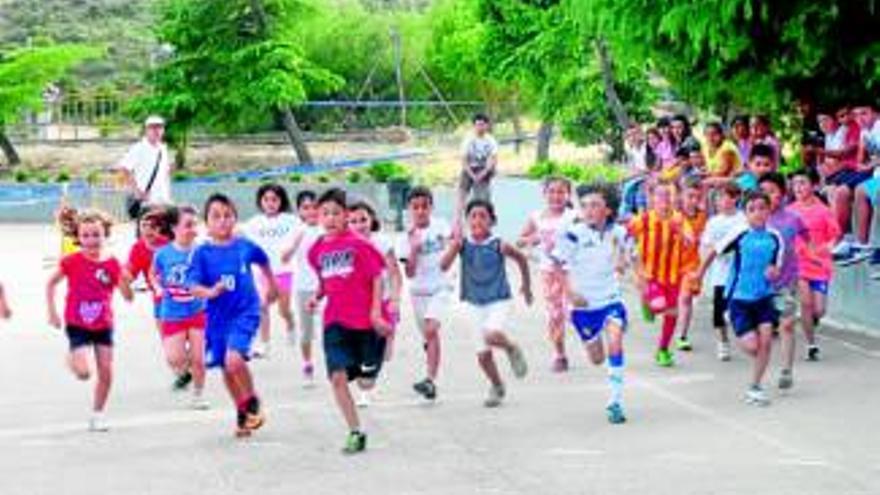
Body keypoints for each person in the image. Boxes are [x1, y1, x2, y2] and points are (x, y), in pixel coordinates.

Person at [306, 188, 389, 454]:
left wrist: (376, 312)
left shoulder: (359, 245)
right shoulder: (316, 249)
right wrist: (317, 297)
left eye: (336, 213)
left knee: (366, 383)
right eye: (325, 213)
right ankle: (355, 431)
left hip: (365, 324)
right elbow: (325, 280)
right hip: (335, 323)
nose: (330, 219)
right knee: (338, 378)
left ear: (346, 216)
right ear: (318, 216)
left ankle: (372, 356)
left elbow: (378, 277)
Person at [189, 194, 278, 438]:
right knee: (226, 369)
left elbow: (264, 261)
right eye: (216, 216)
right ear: (206, 223)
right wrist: (209, 291)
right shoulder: (201, 253)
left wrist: (272, 285)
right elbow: (193, 285)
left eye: (228, 215)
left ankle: (252, 402)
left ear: (235, 218)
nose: (223, 221)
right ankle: (241, 412)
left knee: (234, 361)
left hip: (245, 312)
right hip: (217, 317)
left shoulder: (244, 246)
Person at [690, 191, 783, 406]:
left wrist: (773, 271)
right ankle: (729, 316)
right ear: (746, 213)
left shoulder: (775, 238)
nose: (758, 213)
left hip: (763, 297)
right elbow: (715, 250)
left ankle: (755, 387)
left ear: (769, 211)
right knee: (752, 347)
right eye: (752, 209)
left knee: (766, 342)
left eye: (762, 208)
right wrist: (700, 273)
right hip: (739, 298)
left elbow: (776, 266)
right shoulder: (740, 233)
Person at [46, 209, 134, 431]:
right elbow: (50, 283)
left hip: (103, 324)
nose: (91, 240)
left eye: (96, 234)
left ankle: (97, 415)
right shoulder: (71, 261)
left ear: (105, 235)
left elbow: (128, 297)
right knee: (84, 373)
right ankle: (72, 358)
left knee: (106, 372)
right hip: (77, 323)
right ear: (78, 237)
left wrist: (124, 281)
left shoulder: (113, 264)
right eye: (85, 236)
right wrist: (52, 312)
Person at [440, 199, 531, 408]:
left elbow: (522, 260)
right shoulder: (463, 243)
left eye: (483, 216)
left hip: (498, 299)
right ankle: (497, 385)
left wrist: (526, 286)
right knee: (482, 356)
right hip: (474, 303)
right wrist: (454, 246)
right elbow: (444, 266)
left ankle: (511, 347)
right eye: (473, 216)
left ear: (492, 221)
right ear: (467, 221)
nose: (478, 220)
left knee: (491, 334)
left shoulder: (499, 244)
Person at [552, 183, 630, 423]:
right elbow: (557, 265)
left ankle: (615, 402)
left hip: (610, 299)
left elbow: (625, 259)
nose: (588, 210)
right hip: (584, 307)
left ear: (607, 209)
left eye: (595, 205)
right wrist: (569, 293)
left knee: (615, 341)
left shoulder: (619, 233)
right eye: (584, 205)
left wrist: (624, 265)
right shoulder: (574, 234)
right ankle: (593, 341)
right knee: (597, 358)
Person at [628, 181, 692, 367]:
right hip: (649, 275)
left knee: (672, 314)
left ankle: (663, 350)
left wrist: (679, 230)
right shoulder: (644, 219)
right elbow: (623, 237)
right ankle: (648, 301)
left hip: (673, 276)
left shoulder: (680, 219)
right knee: (659, 305)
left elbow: (690, 241)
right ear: (652, 199)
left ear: (675, 198)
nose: (665, 198)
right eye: (660, 195)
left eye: (669, 194)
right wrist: (630, 263)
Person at [347, 199, 403, 407]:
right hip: (358, 305)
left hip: (383, 302)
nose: (359, 224)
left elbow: (396, 275)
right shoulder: (345, 245)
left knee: (376, 352)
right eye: (353, 221)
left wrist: (395, 300)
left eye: (363, 219)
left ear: (372, 219)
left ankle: (365, 390)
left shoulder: (382, 243)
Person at [151, 205, 209, 409]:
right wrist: (158, 288)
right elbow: (154, 274)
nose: (193, 229)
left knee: (199, 359)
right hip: (172, 313)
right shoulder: (162, 254)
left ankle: (199, 395)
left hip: (197, 311)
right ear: (174, 227)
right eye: (188, 225)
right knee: (174, 358)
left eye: (195, 224)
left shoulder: (202, 251)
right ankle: (188, 374)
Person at [399, 187, 453, 401]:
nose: (420, 211)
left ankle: (430, 380)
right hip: (418, 292)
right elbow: (410, 273)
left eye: (425, 206)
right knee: (429, 336)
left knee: (431, 329)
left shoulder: (442, 226)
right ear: (409, 209)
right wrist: (414, 248)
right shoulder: (406, 236)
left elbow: (453, 245)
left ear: (431, 207)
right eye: (416, 207)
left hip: (441, 287)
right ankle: (431, 353)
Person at [517, 177, 576, 372]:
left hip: (571, 271)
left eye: (561, 192)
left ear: (568, 194)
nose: (556, 196)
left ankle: (592, 336)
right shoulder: (537, 216)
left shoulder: (573, 216)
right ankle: (560, 355)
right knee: (555, 315)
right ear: (544, 194)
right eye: (551, 191)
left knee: (574, 312)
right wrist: (533, 239)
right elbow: (520, 239)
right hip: (549, 272)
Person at [759, 173, 809, 389]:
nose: (767, 196)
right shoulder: (756, 219)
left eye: (772, 191)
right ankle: (759, 371)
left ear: (782, 193)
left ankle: (786, 370)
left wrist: (809, 257)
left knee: (787, 324)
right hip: (760, 284)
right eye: (763, 192)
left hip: (787, 280)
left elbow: (807, 238)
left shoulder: (792, 218)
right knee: (765, 330)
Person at [788, 169, 841, 361]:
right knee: (806, 303)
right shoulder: (790, 211)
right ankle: (811, 345)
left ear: (814, 185)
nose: (798, 188)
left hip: (820, 267)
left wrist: (827, 247)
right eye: (795, 184)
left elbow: (835, 235)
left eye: (803, 183)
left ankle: (811, 320)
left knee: (819, 310)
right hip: (799, 265)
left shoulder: (823, 211)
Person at [244, 183, 299, 359]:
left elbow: (302, 232)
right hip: (263, 273)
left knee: (283, 310)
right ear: (260, 202)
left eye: (274, 199)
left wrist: (291, 249)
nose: (270, 203)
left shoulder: (289, 220)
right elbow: (238, 234)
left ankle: (290, 323)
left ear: (281, 201)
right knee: (262, 306)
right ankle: (264, 344)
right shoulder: (254, 223)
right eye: (266, 199)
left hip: (284, 272)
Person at [699, 183, 746, 361]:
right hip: (719, 273)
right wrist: (702, 269)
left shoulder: (743, 219)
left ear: (735, 198)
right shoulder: (713, 222)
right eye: (717, 197)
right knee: (719, 313)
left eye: (723, 196)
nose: (719, 200)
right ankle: (723, 343)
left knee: (735, 309)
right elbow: (706, 245)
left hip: (738, 273)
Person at [281, 190, 323, 385]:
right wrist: (295, 243)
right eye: (306, 207)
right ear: (299, 211)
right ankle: (307, 364)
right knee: (306, 332)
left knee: (331, 328)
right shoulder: (296, 231)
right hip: (304, 288)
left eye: (315, 206)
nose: (312, 211)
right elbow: (284, 258)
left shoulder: (327, 229)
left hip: (328, 288)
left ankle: (337, 366)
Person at [125, 207, 171, 343]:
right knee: (168, 344)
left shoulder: (170, 244)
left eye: (153, 226)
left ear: (161, 228)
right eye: (144, 225)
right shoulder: (138, 248)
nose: (148, 230)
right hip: (160, 300)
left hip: (183, 298)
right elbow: (130, 274)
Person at [843, 103, 880, 268]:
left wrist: (868, 165)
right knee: (859, 190)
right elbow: (860, 157)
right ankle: (863, 244)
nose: (860, 119)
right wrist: (864, 163)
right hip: (877, 175)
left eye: (864, 113)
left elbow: (868, 162)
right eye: (856, 115)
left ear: (875, 113)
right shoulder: (865, 131)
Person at [675, 179, 708, 352]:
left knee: (686, 298)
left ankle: (682, 335)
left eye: (697, 197)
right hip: (671, 264)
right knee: (670, 302)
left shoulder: (703, 217)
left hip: (692, 265)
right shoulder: (673, 215)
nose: (693, 200)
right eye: (690, 196)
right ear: (681, 196)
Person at [117, 115, 173, 214]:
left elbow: (165, 173)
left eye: (160, 127)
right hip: (146, 201)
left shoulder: (163, 148)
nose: (157, 131)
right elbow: (124, 168)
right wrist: (137, 191)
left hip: (163, 199)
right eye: (153, 127)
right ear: (146, 130)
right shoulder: (139, 148)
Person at [457, 113, 499, 220]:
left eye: (482, 124)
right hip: (469, 168)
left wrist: (483, 173)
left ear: (487, 126)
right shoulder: (468, 139)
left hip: (483, 169)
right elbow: (464, 160)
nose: (480, 127)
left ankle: (486, 216)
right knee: (462, 193)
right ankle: (458, 218)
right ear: (474, 126)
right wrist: (472, 175)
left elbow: (492, 160)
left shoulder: (491, 141)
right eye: (478, 125)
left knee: (483, 196)